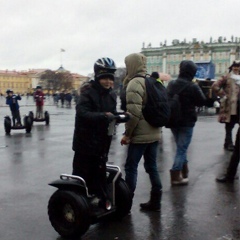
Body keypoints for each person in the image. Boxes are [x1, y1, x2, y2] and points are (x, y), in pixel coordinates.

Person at [72, 57, 117, 204]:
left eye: (110, 78)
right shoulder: (87, 93)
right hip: (85, 141)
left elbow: (112, 113)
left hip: (102, 141)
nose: (108, 82)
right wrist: (103, 116)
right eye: (105, 78)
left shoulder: (111, 94)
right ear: (97, 77)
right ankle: (76, 201)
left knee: (99, 170)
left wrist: (122, 116)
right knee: (82, 172)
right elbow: (82, 113)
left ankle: (99, 196)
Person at [120, 53, 162, 211]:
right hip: (155, 132)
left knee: (131, 167)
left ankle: (126, 203)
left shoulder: (134, 83)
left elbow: (133, 114)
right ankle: (156, 201)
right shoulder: (152, 81)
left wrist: (127, 134)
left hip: (140, 135)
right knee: (152, 167)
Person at [167, 60, 206, 186]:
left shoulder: (172, 84)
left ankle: (184, 171)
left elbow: (166, 98)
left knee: (180, 147)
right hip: (187, 121)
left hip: (173, 120)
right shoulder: (192, 86)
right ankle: (175, 175)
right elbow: (202, 101)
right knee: (181, 148)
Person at [212, 61, 240, 151]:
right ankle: (229, 143)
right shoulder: (226, 77)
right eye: (234, 66)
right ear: (232, 67)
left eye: (238, 66)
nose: (236, 68)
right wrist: (223, 95)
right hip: (230, 106)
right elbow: (215, 85)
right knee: (229, 125)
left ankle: (228, 142)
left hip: (239, 105)